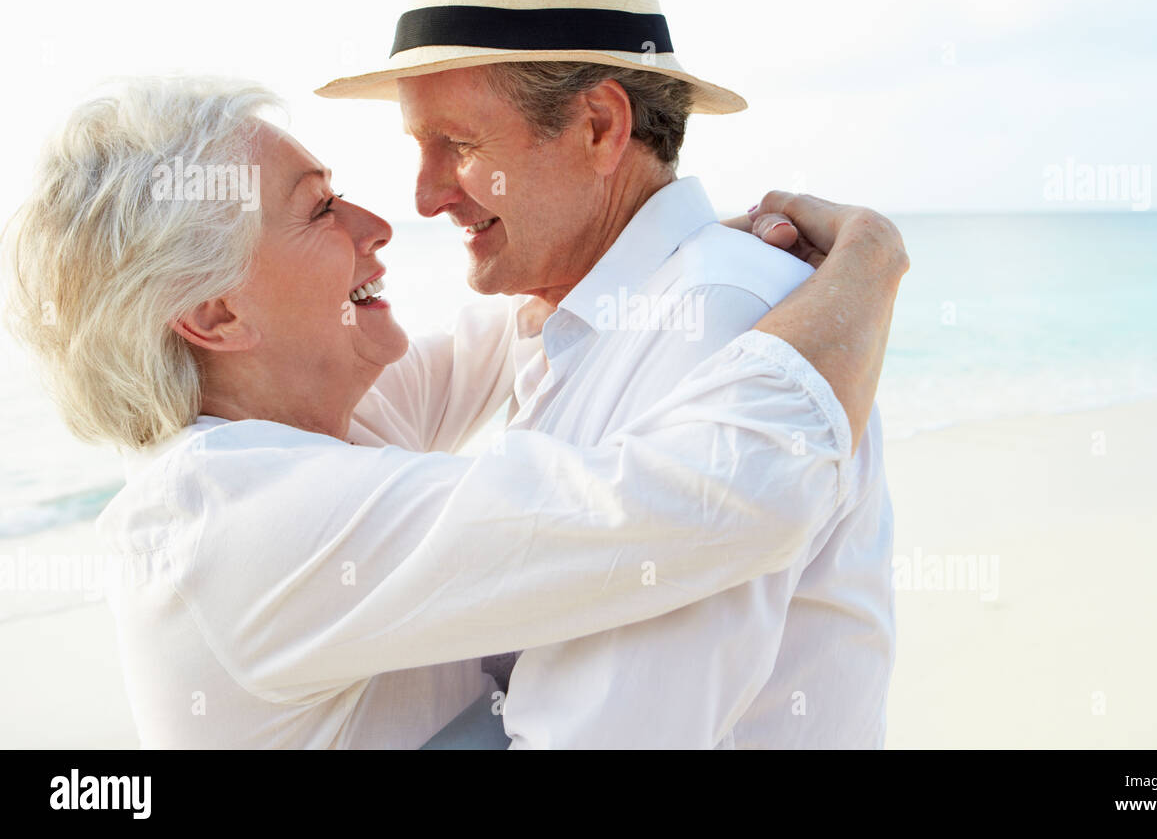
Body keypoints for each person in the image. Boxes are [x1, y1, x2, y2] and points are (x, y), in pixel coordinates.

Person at [1, 76, 908, 748]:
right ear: (216, 316)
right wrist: (867, 267)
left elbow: (532, 319)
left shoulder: (305, 418)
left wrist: (666, 247)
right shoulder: (237, 521)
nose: (381, 221)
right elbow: (705, 500)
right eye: (319, 210)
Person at [316, 0, 902, 747]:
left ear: (599, 125)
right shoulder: (586, 314)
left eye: (458, 142)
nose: (425, 194)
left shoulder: (721, 317)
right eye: (419, 145)